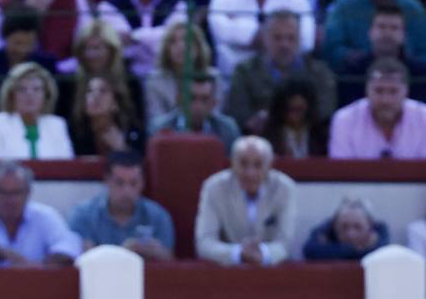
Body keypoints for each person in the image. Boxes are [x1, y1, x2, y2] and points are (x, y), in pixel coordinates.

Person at [224, 9, 337, 133]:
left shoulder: (320, 73)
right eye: (277, 38)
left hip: (308, 140)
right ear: (265, 39)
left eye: (291, 38)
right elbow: (238, 114)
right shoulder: (245, 72)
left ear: (300, 39)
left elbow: (326, 112)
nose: (284, 44)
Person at [0, 158, 82, 264]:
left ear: (28, 193)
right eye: (3, 192)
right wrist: (7, 254)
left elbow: (69, 246)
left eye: (16, 193)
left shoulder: (45, 215)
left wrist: (40, 267)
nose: (10, 200)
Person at [194, 134, 297, 265]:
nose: (250, 173)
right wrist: (237, 253)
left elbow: (286, 242)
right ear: (232, 163)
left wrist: (264, 253)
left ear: (269, 165)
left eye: (258, 165)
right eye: (243, 163)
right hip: (227, 274)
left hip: (272, 272)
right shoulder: (214, 187)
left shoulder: (284, 188)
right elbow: (204, 242)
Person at [69, 150, 175, 257]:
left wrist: (159, 253)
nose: (127, 191)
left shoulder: (158, 216)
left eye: (133, 183)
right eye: (119, 183)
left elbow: (171, 265)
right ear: (107, 181)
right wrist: (123, 252)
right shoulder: (83, 215)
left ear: (143, 183)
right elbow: (82, 262)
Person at [328, 57, 426, 157]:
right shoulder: (344, 119)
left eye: (393, 91)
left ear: (406, 92)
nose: (385, 100)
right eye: (378, 91)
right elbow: (341, 170)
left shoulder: (423, 117)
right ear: (367, 91)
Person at [0, 61, 73, 160]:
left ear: (46, 95)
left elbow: (67, 166)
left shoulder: (57, 125)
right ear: (11, 95)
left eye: (36, 89)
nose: (29, 94)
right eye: (22, 89)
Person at [143, 17, 214, 123]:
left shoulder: (213, 77)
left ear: (198, 47)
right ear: (166, 49)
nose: (180, 46)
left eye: (187, 40)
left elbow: (217, 121)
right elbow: (155, 124)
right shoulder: (155, 81)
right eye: (173, 42)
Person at [149, 70, 240, 150]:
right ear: (179, 100)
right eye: (192, 98)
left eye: (205, 99)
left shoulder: (227, 131)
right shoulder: (159, 130)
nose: (198, 106)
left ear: (213, 103)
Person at [302, 197, 389, 259]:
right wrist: (357, 250)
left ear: (370, 226)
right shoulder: (325, 231)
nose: (350, 234)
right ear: (334, 225)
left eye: (357, 227)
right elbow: (310, 251)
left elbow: (383, 253)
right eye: (344, 227)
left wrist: (332, 250)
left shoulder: (380, 233)